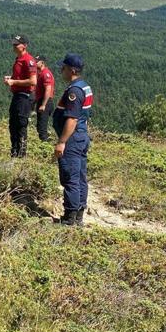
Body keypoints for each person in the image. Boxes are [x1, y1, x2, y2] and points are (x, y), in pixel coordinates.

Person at [52, 53, 93, 226]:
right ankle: (78, 216)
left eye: (64, 67)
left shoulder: (74, 91)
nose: (61, 70)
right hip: (82, 136)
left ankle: (70, 219)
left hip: (73, 139)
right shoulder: (84, 86)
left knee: (70, 177)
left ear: (72, 70)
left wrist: (62, 142)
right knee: (80, 177)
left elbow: (72, 119)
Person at [3, 34, 37, 158]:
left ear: (24, 46)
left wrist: (14, 82)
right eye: (13, 43)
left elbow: (33, 81)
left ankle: (22, 155)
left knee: (21, 125)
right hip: (18, 96)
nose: (14, 46)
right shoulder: (18, 59)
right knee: (13, 125)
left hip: (25, 97)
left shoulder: (29, 61)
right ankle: (14, 153)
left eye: (16, 44)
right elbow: (20, 77)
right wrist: (11, 78)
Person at [33, 55, 56, 142]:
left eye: (36, 62)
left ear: (42, 63)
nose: (35, 63)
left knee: (42, 128)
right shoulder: (40, 74)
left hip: (45, 102)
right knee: (40, 126)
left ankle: (46, 146)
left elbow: (48, 89)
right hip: (41, 101)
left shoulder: (45, 74)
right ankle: (45, 143)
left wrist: (43, 105)